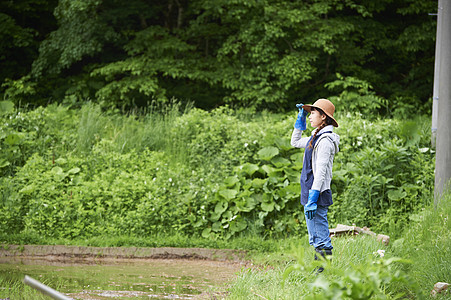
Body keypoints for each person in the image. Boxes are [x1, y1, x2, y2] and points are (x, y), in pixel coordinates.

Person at [290, 98, 340, 273]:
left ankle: (322, 273)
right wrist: (300, 121)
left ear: (323, 117)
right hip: (310, 192)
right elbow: (295, 142)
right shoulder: (315, 136)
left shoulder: (325, 141)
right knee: (315, 235)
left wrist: (313, 197)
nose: (310, 116)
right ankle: (319, 272)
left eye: (312, 113)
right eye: (309, 113)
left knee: (320, 235)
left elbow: (321, 173)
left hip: (317, 193)